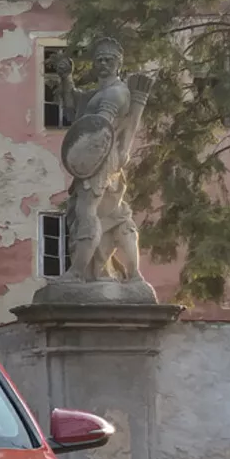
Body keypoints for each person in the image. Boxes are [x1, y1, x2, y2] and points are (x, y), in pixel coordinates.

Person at [54, 37, 152, 282]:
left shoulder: (116, 94)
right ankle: (133, 275)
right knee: (117, 216)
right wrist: (66, 78)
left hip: (101, 161)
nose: (104, 64)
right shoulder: (98, 93)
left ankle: (78, 273)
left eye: (109, 60)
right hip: (101, 161)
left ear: (119, 64)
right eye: (99, 60)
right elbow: (73, 105)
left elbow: (100, 131)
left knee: (86, 212)